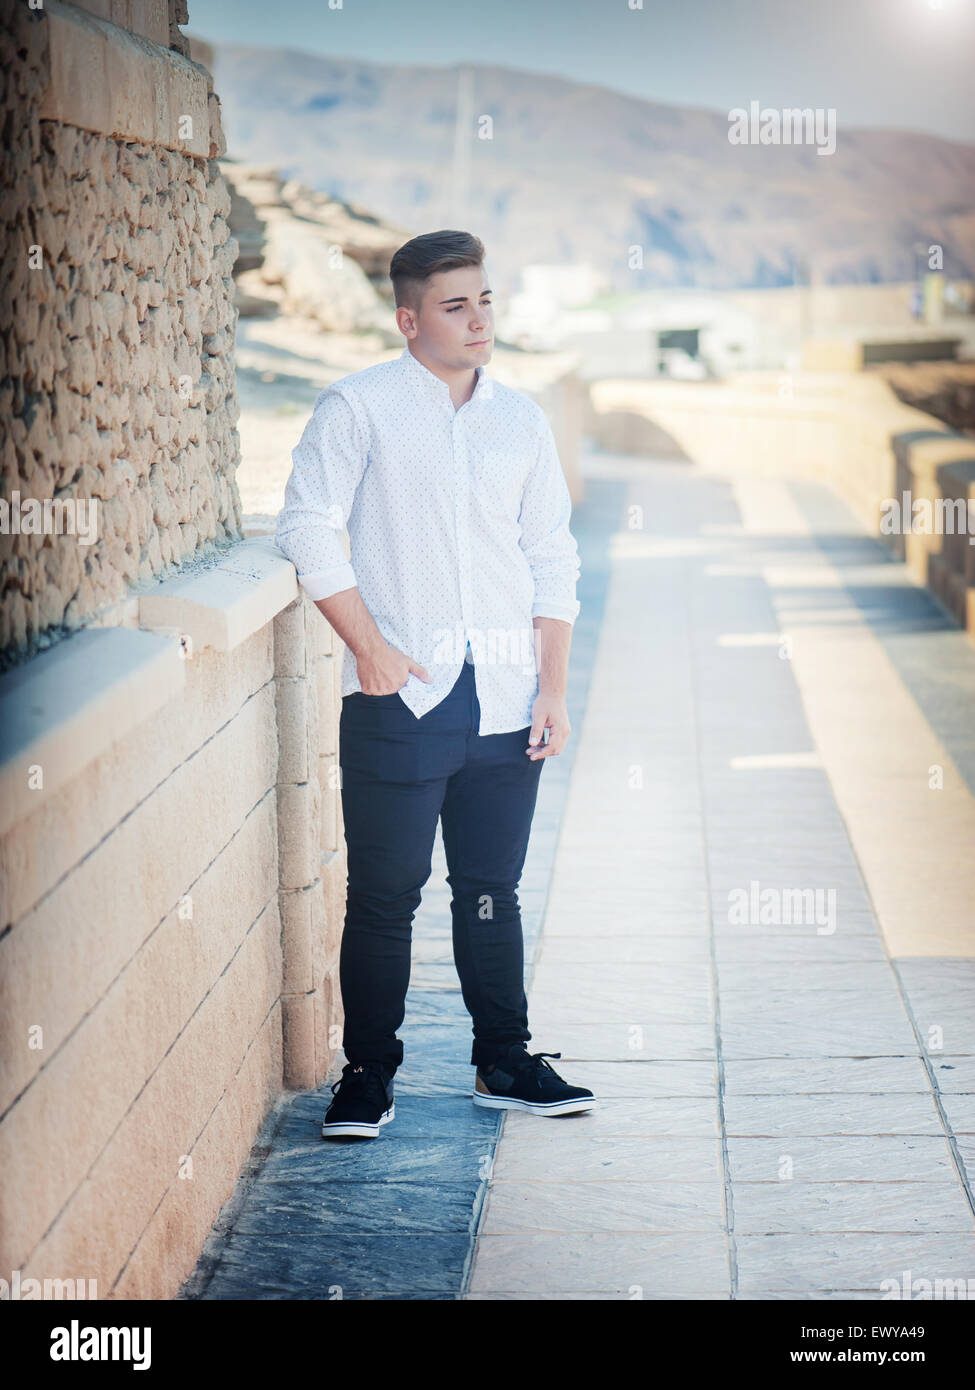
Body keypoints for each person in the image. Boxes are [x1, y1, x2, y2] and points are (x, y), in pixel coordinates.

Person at [275, 229, 596, 1139]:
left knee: (491, 889)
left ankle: (504, 1058)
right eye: (457, 304)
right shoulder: (358, 408)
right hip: (399, 701)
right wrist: (368, 649)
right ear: (410, 318)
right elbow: (305, 529)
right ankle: (367, 1074)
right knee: (385, 896)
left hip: (504, 700)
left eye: (486, 299)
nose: (478, 317)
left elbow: (550, 556)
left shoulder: (520, 419)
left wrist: (552, 688)